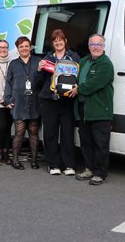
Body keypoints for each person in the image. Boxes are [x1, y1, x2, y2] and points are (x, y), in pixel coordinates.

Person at [71, 34, 114, 186]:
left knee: (100, 143)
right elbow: (74, 79)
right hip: (83, 109)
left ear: (103, 47)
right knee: (86, 142)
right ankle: (89, 168)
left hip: (100, 110)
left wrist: (78, 89)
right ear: (89, 46)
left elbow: (94, 84)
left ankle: (100, 173)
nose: (95, 47)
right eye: (92, 44)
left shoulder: (105, 64)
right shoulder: (83, 61)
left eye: (99, 45)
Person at [37, 29, 80, 176]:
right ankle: (53, 164)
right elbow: (39, 81)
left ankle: (68, 165)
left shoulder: (74, 57)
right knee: (50, 133)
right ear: (52, 43)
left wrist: (77, 87)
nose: (58, 42)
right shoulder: (47, 58)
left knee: (68, 134)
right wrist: (39, 69)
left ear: (65, 41)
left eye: (60, 40)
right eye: (55, 40)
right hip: (49, 101)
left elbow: (79, 77)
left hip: (67, 101)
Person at [3, 36, 42, 170]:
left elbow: (43, 80)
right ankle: (15, 159)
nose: (24, 48)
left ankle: (34, 160)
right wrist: (7, 100)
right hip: (18, 102)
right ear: (18, 49)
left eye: (26, 46)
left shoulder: (38, 61)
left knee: (33, 132)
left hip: (34, 102)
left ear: (30, 47)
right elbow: (8, 83)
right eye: (21, 47)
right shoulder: (13, 64)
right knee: (19, 132)